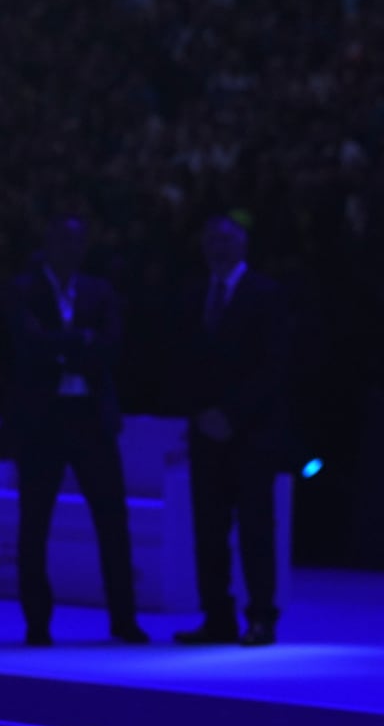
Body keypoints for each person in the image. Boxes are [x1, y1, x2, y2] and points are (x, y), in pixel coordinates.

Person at [2, 215, 149, 647]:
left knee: (112, 520)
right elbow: (27, 346)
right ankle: (37, 623)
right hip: (42, 421)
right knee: (35, 523)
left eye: (78, 241)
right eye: (63, 240)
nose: (72, 249)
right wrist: (78, 342)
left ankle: (124, 619)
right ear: (47, 243)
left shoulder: (99, 292)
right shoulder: (21, 289)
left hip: (90, 419)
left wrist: (62, 345)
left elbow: (110, 348)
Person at [171, 214, 293, 647]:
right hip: (206, 431)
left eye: (225, 240)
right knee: (209, 529)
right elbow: (181, 363)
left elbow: (273, 367)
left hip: (252, 432)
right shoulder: (192, 297)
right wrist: (202, 412)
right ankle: (216, 617)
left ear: (243, 245)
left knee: (256, 527)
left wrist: (231, 413)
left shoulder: (267, 296)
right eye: (210, 240)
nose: (216, 248)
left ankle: (261, 617)